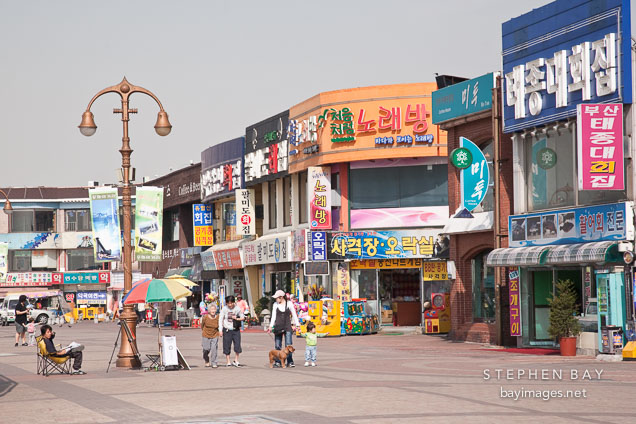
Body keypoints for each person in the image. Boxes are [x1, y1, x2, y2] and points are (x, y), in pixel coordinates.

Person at [267, 290, 299, 368]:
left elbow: (294, 314)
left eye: (277, 298)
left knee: (288, 345)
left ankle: (290, 361)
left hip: (287, 326)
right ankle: (278, 361)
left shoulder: (289, 303)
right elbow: (273, 316)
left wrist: (297, 324)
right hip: (278, 326)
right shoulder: (275, 304)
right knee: (278, 345)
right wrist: (271, 326)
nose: (276, 299)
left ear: (281, 297)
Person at [218, 295, 244, 367]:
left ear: (233, 302)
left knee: (237, 345)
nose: (230, 305)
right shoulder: (224, 309)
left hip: (235, 329)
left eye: (231, 303)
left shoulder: (237, 308)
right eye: (228, 303)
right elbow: (220, 319)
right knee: (227, 345)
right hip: (227, 329)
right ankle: (228, 361)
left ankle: (236, 360)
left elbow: (242, 317)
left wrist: (237, 318)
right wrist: (220, 330)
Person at [201, 304, 220, 368]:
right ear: (209, 310)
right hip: (206, 334)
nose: (213, 311)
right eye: (212, 309)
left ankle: (214, 362)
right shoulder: (205, 317)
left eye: (214, 309)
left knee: (214, 349)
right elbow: (202, 325)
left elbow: (219, 325)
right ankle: (206, 360)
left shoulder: (218, 317)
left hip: (215, 334)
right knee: (206, 349)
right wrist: (203, 331)